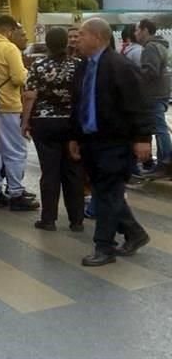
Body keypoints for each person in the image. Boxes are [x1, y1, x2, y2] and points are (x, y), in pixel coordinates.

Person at [70, 18, 153, 266]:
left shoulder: (119, 66)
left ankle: (104, 247)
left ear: (97, 37)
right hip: (91, 141)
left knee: (107, 194)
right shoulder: (84, 66)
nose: (77, 39)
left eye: (82, 34)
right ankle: (135, 233)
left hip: (115, 142)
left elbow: (138, 104)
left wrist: (142, 138)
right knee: (106, 192)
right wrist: (74, 135)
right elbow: (79, 102)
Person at [21, 27, 84, 232]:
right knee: (73, 171)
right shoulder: (78, 66)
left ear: (47, 44)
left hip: (44, 123)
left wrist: (25, 121)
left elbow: (30, 96)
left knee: (50, 171)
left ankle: (48, 219)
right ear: (66, 42)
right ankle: (77, 220)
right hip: (72, 123)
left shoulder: (38, 65)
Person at [0, 15, 39, 211]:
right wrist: (29, 73)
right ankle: (16, 192)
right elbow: (19, 78)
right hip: (8, 106)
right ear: (9, 30)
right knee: (14, 151)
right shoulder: (8, 48)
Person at [135, 19, 171, 178]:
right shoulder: (161, 46)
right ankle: (165, 162)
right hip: (162, 92)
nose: (135, 34)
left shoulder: (150, 47)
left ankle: (165, 163)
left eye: (137, 30)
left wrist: (135, 75)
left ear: (145, 30)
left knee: (159, 128)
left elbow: (150, 71)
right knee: (160, 127)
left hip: (154, 94)